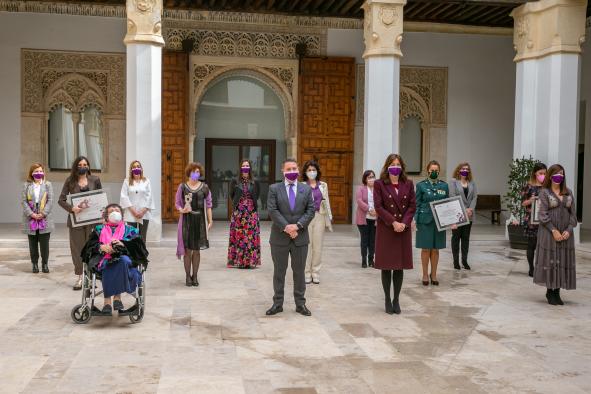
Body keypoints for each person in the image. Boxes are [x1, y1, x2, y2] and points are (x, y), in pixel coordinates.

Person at [265, 158, 315, 317]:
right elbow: (272, 210)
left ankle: (300, 304)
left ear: (299, 170)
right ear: (283, 171)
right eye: (288, 169)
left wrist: (298, 226)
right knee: (279, 271)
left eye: (294, 168)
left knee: (299, 272)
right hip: (279, 237)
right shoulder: (274, 188)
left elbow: (311, 211)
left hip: (300, 238)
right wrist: (287, 227)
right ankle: (277, 303)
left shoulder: (305, 189)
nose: (292, 171)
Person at [81, 204, 148, 315]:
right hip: (103, 260)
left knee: (121, 260)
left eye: (117, 210)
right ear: (106, 216)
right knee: (116, 261)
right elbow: (88, 247)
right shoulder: (98, 229)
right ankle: (117, 299)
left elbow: (139, 249)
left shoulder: (131, 230)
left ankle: (107, 302)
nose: (115, 212)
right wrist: (101, 247)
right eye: (111, 211)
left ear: (122, 215)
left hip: (125, 261)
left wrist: (123, 244)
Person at [373, 154, 416, 314]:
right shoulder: (379, 184)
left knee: (399, 267)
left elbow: (412, 206)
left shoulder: (409, 184)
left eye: (398, 164)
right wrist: (393, 222)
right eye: (392, 164)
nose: (395, 167)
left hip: (402, 230)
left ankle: (396, 299)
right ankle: (386, 299)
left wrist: (404, 223)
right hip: (387, 229)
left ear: (402, 167)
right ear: (387, 166)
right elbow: (378, 207)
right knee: (387, 266)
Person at [533, 164, 577, 306]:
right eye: (557, 174)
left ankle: (557, 292)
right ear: (550, 176)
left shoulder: (568, 192)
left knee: (562, 260)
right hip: (549, 233)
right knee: (550, 260)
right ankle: (549, 291)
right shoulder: (544, 193)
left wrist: (568, 230)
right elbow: (543, 215)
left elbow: (573, 216)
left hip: (565, 234)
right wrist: (554, 230)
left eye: (562, 174)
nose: (560, 176)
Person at [58, 156, 102, 290]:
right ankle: (80, 278)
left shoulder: (95, 180)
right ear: (76, 166)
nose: (83, 166)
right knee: (77, 250)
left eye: (85, 164)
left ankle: (91, 278)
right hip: (76, 221)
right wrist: (72, 208)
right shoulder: (70, 181)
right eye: (80, 164)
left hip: (92, 221)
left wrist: (101, 214)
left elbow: (100, 197)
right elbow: (61, 200)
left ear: (88, 166)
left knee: (92, 249)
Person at [175, 162, 213, 287]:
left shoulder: (204, 187)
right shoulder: (182, 187)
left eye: (197, 172)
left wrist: (210, 220)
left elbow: (208, 205)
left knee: (196, 250)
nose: (195, 174)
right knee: (188, 251)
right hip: (187, 221)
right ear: (188, 173)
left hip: (200, 221)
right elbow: (177, 204)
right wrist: (182, 210)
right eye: (193, 171)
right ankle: (187, 276)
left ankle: (195, 276)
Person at [414, 160, 449, 286]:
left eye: (436, 170)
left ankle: (433, 274)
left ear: (439, 171)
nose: (434, 172)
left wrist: (451, 221)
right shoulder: (421, 185)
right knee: (425, 249)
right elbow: (416, 204)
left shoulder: (444, 186)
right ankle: (424, 274)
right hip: (424, 220)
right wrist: (415, 220)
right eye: (431, 170)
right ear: (427, 170)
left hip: (440, 221)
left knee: (435, 249)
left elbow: (447, 205)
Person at [302, 160, 333, 284]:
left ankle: (315, 272)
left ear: (317, 171)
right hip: (306, 217)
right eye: (309, 170)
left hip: (319, 216)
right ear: (305, 172)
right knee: (307, 245)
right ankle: (306, 272)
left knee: (318, 246)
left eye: (313, 170)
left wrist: (329, 218)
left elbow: (327, 202)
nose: (311, 172)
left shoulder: (323, 185)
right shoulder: (302, 185)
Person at [227, 159, 261, 269]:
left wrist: (249, 205)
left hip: (251, 212)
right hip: (239, 213)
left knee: (250, 237)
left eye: (247, 165)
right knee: (239, 236)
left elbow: (257, 195)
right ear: (240, 168)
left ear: (250, 167)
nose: (245, 167)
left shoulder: (255, 181)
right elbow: (232, 195)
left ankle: (250, 261)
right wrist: (240, 205)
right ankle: (239, 261)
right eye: (243, 165)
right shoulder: (235, 181)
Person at [21, 163, 54, 273]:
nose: (38, 173)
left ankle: (45, 264)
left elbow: (50, 200)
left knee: (45, 244)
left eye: (40, 171)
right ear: (31, 173)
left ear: (43, 172)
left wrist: (43, 213)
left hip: (44, 218)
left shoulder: (48, 184)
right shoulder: (26, 185)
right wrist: (32, 214)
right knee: (32, 244)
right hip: (31, 218)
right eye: (36, 171)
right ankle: (34, 264)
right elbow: (24, 201)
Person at [449, 162, 478, 270]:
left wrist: (470, 209)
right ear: (458, 170)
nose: (465, 170)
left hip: (469, 215)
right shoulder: (453, 182)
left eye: (467, 169)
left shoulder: (472, 183)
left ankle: (464, 261)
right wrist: (463, 209)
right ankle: (456, 261)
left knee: (466, 238)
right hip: (457, 215)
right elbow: (452, 197)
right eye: (463, 168)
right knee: (456, 238)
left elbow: (475, 197)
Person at [521, 162, 547, 277]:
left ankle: (541, 267)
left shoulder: (548, 187)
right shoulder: (529, 186)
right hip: (532, 220)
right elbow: (523, 203)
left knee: (543, 246)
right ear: (535, 173)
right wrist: (531, 201)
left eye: (545, 173)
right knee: (531, 244)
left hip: (545, 221)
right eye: (541, 173)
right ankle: (531, 268)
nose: (543, 175)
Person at [120, 160, 155, 241]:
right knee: (131, 237)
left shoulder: (146, 181)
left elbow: (150, 196)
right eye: (134, 167)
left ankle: (142, 253)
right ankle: (133, 253)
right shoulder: (127, 181)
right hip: (131, 213)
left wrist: (143, 211)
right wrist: (133, 211)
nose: (136, 168)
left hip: (144, 213)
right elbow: (124, 196)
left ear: (141, 169)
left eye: (138, 166)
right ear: (131, 169)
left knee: (142, 238)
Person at [356, 170, 377, 268]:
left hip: (375, 218)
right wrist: (369, 209)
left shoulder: (377, 189)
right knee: (364, 240)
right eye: (369, 177)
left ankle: (371, 259)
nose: (371, 179)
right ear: (365, 179)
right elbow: (359, 201)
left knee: (372, 240)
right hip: (363, 219)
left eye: (373, 177)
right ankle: (364, 260)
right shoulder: (361, 189)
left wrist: (376, 211)